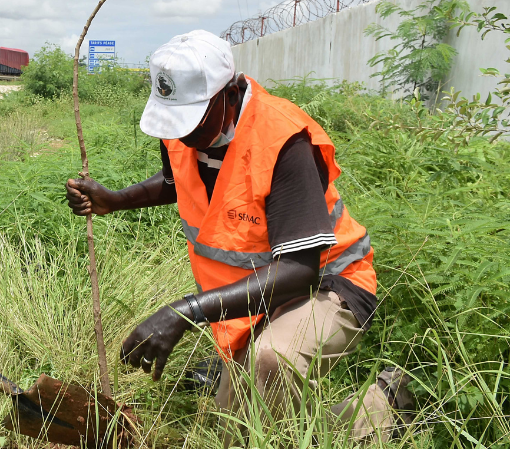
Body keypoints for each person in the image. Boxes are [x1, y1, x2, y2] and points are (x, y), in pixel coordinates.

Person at [65, 30, 412, 443]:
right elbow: (180, 179)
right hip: (259, 293)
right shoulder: (184, 131)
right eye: (175, 122)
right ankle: (378, 406)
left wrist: (185, 312)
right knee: (248, 424)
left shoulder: (282, 140)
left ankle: (386, 404)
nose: (182, 135)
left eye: (193, 120)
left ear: (229, 94)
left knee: (267, 369)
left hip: (329, 284)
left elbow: (300, 271)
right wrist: (115, 200)